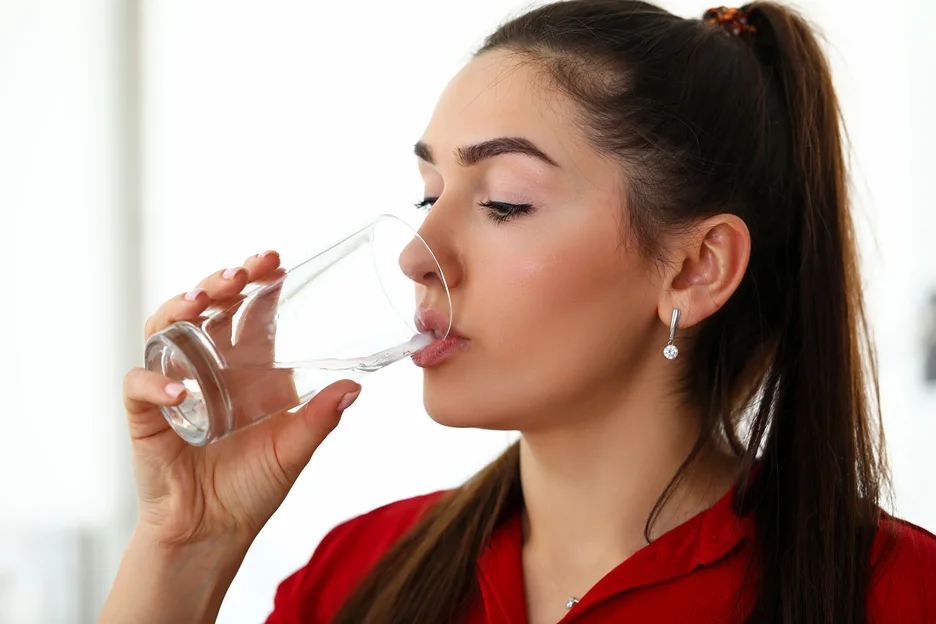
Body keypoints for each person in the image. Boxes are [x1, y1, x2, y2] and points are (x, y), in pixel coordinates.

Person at [99, 1, 936, 623]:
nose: (416, 251)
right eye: (427, 193)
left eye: (502, 203)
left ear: (693, 268)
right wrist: (186, 545)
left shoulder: (894, 594)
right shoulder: (359, 577)